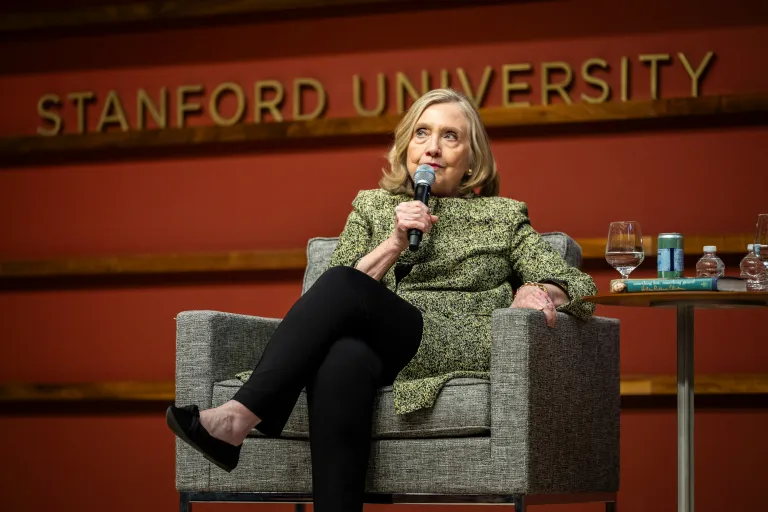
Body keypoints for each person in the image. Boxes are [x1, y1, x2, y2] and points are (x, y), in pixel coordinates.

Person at [166, 88, 597, 512]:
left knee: (342, 287)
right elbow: (332, 296)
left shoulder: (503, 216)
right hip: (382, 344)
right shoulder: (373, 207)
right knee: (343, 355)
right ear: (406, 146)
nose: (433, 148)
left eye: (450, 137)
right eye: (422, 133)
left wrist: (536, 289)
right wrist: (393, 242)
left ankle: (238, 417)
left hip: (459, 338)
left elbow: (576, 284)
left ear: (472, 160)